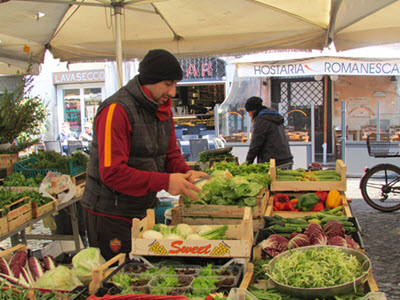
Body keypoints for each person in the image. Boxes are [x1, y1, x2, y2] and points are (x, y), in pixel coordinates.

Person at [81, 49, 208, 260]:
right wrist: (165, 181)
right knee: (118, 277)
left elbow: (171, 154)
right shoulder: (116, 110)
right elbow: (112, 173)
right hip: (110, 213)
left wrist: (187, 172)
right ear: (150, 80)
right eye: (168, 84)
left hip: (143, 208)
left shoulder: (162, 109)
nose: (173, 92)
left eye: (175, 84)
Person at [244, 96, 293, 169]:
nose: (249, 115)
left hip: (274, 162)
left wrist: (247, 163)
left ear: (253, 110)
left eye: (249, 112)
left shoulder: (261, 120)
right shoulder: (275, 116)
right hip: (286, 159)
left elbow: (256, 143)